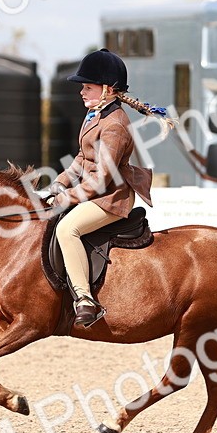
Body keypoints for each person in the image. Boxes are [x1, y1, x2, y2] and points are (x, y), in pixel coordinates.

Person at [43, 48, 173, 327]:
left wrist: (68, 197)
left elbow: (102, 178)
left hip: (110, 199)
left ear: (107, 90)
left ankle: (85, 299)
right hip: (94, 192)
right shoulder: (95, 114)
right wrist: (60, 182)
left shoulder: (114, 125)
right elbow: (82, 157)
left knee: (68, 229)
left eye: (87, 87)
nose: (81, 92)